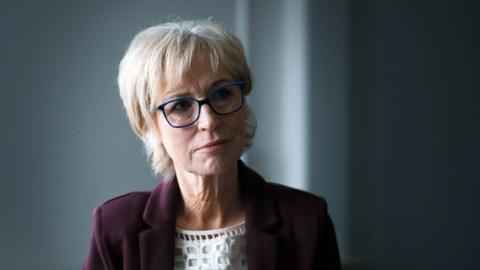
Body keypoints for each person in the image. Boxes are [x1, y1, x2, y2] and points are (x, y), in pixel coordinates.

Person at [83, 19, 341, 270]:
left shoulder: (306, 220)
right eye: (181, 105)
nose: (209, 121)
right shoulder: (116, 227)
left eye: (222, 94)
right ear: (148, 126)